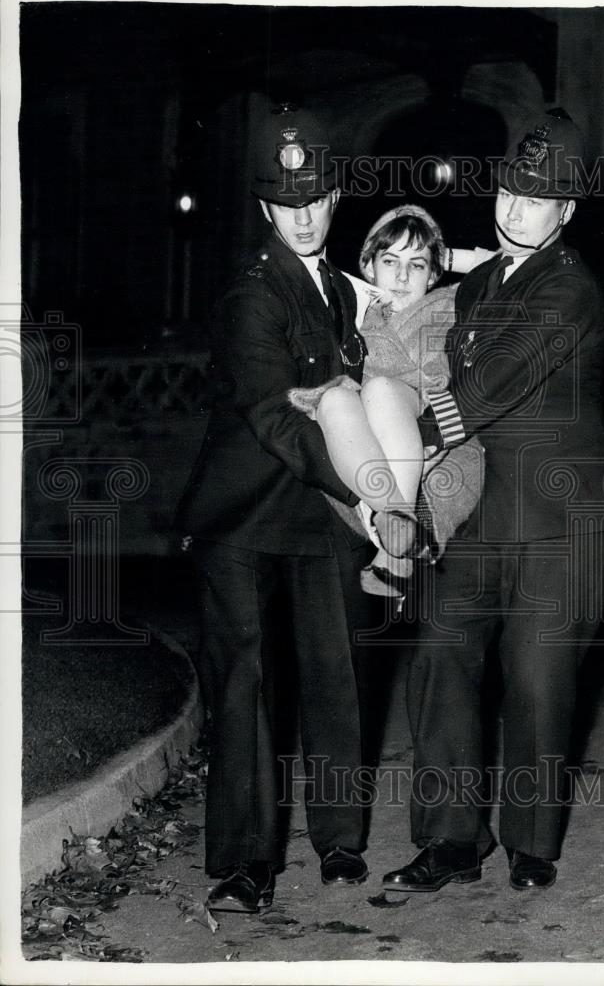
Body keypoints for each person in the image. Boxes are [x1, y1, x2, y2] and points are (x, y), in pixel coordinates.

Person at [382, 109, 604, 893]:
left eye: (537, 199)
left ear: (567, 213)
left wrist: (392, 452)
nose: (517, 208)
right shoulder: (486, 278)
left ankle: (532, 845)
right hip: (486, 511)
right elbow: (427, 299)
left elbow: (483, 389)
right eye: (509, 190)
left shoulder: (572, 291)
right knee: (440, 657)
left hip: (565, 522)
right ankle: (452, 840)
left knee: (537, 678)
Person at [175, 103, 371, 914]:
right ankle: (245, 863)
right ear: (265, 208)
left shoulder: (345, 290)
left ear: (334, 200)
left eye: (318, 197)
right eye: (289, 202)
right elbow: (277, 417)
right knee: (248, 683)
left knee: (336, 675)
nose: (305, 213)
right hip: (246, 516)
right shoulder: (250, 296)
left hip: (319, 515)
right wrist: (376, 494)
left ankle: (338, 842)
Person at [286, 204, 488, 598]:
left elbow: (507, 265)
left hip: (441, 433)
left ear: (434, 273)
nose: (400, 275)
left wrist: (443, 253)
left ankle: (399, 538)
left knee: (379, 389)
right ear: (368, 267)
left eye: (416, 265)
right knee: (333, 401)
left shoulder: (454, 305)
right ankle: (397, 527)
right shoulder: (354, 314)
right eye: (390, 260)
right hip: (373, 463)